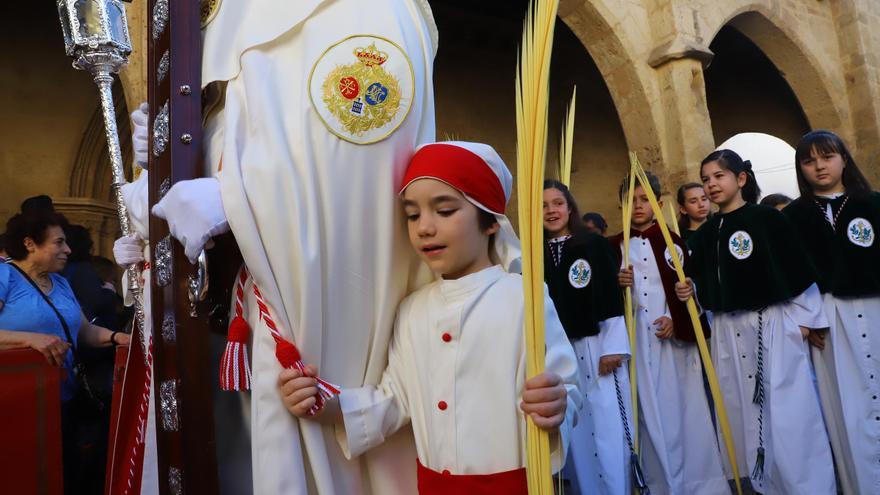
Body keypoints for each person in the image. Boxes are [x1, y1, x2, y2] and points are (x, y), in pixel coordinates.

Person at [117, 2, 439, 493]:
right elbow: (226, 151)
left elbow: (360, 172)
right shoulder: (223, 18)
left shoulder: (372, 11)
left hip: (298, 319)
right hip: (215, 318)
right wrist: (162, 167)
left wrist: (235, 200)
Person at [280, 141, 579, 494]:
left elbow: (565, 390)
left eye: (445, 210)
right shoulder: (412, 311)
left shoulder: (523, 298)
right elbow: (394, 400)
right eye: (412, 214)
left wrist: (556, 404)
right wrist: (324, 403)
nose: (424, 227)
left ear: (490, 222)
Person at [676, 149, 836, 494]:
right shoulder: (707, 233)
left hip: (773, 324)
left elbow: (797, 268)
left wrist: (805, 323)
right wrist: (691, 289)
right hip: (728, 332)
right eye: (706, 179)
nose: (711, 185)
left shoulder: (768, 219)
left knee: (789, 414)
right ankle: (767, 487)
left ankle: (810, 486)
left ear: (741, 179)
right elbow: (704, 283)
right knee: (744, 416)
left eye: (718, 176)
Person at [612, 172, 727, 494]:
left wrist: (678, 317)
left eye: (645, 199)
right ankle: (661, 484)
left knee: (688, 411)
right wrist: (616, 284)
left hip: (675, 345)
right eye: (630, 200)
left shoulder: (674, 242)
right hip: (638, 345)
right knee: (649, 415)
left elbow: (693, 288)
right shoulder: (613, 248)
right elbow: (607, 302)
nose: (638, 206)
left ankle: (702, 484)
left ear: (658, 203)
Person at [0, 210, 130, 494]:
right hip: (14, 405)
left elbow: (83, 331)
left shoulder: (60, 282)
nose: (68, 250)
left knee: (65, 477)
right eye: (58, 242)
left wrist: (120, 338)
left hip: (61, 402)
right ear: (29, 244)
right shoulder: (4, 275)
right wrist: (30, 340)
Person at [782, 130, 879, 495]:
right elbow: (790, 272)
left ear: (843, 158)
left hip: (875, 309)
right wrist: (805, 319)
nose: (819, 166)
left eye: (827, 156)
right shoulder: (793, 216)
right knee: (845, 406)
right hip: (829, 316)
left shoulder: (872, 204)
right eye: (809, 160)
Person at [543, 179, 633, 494]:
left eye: (557, 203)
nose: (551, 211)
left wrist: (612, 348)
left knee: (608, 424)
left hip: (597, 347)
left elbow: (610, 296)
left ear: (569, 208)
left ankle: (616, 488)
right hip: (559, 351)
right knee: (576, 427)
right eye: (543, 205)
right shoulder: (535, 253)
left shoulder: (593, 245)